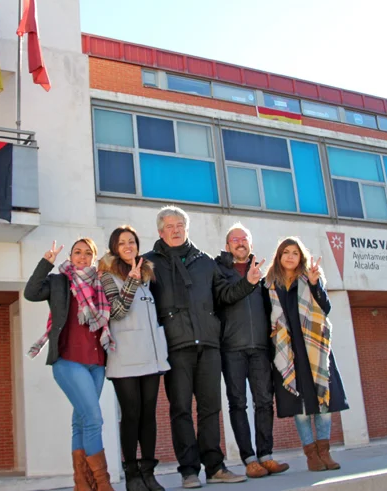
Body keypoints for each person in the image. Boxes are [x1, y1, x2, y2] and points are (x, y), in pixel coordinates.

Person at [144, 206, 263, 489]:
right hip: (175, 346)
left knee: (210, 409)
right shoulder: (149, 263)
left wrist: (248, 283)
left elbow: (224, 295)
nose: (176, 230)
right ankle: (188, 471)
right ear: (160, 231)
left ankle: (215, 467)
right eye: (170, 226)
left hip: (209, 344)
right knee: (181, 410)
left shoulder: (205, 261)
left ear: (186, 229)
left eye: (180, 225)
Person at [25, 238, 115, 491]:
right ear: (71, 256)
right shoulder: (59, 281)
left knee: (82, 422)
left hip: (96, 363)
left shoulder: (101, 283)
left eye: (87, 253)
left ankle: (82, 485)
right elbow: (31, 293)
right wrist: (46, 263)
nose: (82, 257)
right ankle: (103, 484)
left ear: (94, 258)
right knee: (94, 419)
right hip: (68, 360)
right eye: (77, 252)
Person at [264, 237, 348, 472]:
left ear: (301, 257)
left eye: (295, 253)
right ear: (279, 257)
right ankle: (311, 455)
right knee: (299, 408)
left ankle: (325, 453)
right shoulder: (269, 285)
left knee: (323, 403)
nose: (290, 256)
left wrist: (315, 284)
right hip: (288, 352)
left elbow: (326, 308)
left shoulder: (310, 278)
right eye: (286, 252)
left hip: (314, 349)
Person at [215, 223, 290, 478]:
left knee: (265, 402)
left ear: (251, 244)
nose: (240, 243)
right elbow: (223, 297)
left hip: (260, 348)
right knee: (238, 403)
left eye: (244, 239)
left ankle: (265, 456)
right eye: (235, 239)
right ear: (227, 246)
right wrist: (247, 282)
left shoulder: (263, 274)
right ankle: (249, 459)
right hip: (231, 348)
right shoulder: (219, 270)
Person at [99, 225, 169, 491]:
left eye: (132, 241)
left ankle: (148, 472)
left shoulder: (148, 274)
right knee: (131, 414)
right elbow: (116, 312)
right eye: (122, 243)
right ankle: (131, 474)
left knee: (149, 415)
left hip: (151, 356)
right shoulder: (108, 275)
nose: (128, 246)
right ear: (114, 248)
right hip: (125, 356)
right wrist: (131, 280)